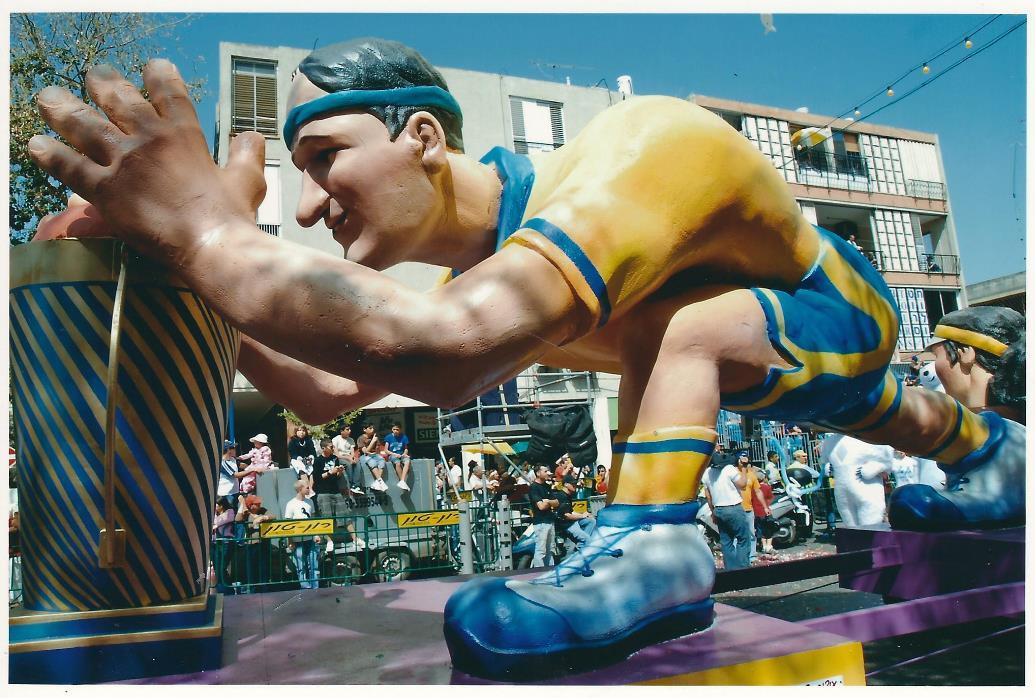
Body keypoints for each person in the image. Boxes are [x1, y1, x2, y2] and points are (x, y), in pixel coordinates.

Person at [29, 37, 1023, 679]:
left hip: (834, 305)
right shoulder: (490, 270)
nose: (307, 205)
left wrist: (209, 235)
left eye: (325, 157)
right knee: (805, 378)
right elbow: (327, 389)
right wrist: (188, 269)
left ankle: (658, 552)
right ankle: (995, 452)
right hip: (787, 351)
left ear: (423, 135)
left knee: (681, 330)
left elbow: (444, 353)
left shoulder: (638, 156)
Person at [890, 307, 1026, 530]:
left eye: (937, 356)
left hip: (988, 502)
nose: (934, 367)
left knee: (912, 501)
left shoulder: (1000, 427)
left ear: (965, 353)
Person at [821, 435, 894, 528]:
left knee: (870, 527)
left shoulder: (870, 437)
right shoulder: (830, 441)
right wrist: (828, 466)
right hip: (843, 493)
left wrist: (874, 467)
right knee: (851, 527)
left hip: (867, 490)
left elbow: (887, 462)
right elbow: (825, 461)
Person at [702, 452, 750, 570]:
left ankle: (731, 569)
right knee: (743, 539)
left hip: (718, 509)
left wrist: (713, 512)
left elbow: (708, 496)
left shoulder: (707, 473)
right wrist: (744, 468)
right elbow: (743, 485)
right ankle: (742, 568)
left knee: (726, 541)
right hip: (733, 507)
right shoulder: (729, 469)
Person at [283, 479, 321, 590]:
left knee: (314, 565)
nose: (309, 489)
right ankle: (305, 587)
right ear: (300, 489)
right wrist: (290, 540)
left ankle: (315, 587)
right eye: (307, 487)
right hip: (297, 540)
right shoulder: (291, 504)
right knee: (301, 566)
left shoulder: (310, 502)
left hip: (310, 539)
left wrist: (316, 534)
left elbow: (313, 519)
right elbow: (288, 524)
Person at [736, 451, 769, 563]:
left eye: (746, 461)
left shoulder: (751, 474)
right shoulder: (732, 473)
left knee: (751, 533)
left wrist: (765, 507)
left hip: (749, 509)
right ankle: (738, 558)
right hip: (736, 509)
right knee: (737, 534)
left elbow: (758, 491)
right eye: (742, 460)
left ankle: (752, 556)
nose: (745, 463)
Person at [527, 464, 559, 568]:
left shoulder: (547, 486)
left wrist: (548, 501)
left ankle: (550, 570)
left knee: (550, 549)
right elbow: (541, 506)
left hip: (550, 521)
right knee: (541, 550)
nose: (548, 473)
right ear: (538, 473)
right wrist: (549, 503)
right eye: (545, 471)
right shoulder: (534, 487)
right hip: (540, 522)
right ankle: (539, 571)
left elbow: (557, 502)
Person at [555, 475, 595, 550]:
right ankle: (580, 548)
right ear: (566, 484)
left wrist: (585, 515)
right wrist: (582, 516)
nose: (575, 485)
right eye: (572, 484)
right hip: (567, 525)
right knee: (588, 540)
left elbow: (571, 512)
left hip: (572, 522)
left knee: (591, 521)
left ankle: (581, 544)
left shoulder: (568, 495)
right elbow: (567, 516)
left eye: (575, 483)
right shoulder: (561, 496)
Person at [332, 424, 363, 495]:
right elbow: (337, 455)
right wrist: (348, 458)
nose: (349, 431)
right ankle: (351, 484)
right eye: (347, 429)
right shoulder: (336, 439)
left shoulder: (351, 440)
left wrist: (352, 458)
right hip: (340, 458)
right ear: (341, 431)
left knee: (358, 463)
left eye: (349, 429)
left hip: (349, 457)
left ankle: (356, 485)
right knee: (348, 464)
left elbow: (352, 452)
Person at [356, 423, 388, 492]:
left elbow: (377, 449)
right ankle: (380, 481)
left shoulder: (374, 437)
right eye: (370, 428)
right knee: (372, 462)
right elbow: (365, 451)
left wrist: (377, 452)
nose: (372, 429)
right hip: (364, 456)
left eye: (373, 428)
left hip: (374, 455)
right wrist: (373, 441)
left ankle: (377, 482)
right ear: (364, 429)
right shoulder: (361, 438)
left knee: (382, 461)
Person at [753, 471, 777, 556]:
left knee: (760, 529)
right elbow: (771, 498)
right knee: (769, 528)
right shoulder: (767, 487)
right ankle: (769, 546)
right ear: (763, 478)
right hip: (765, 510)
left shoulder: (753, 488)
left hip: (756, 511)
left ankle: (764, 546)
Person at [382, 423, 412, 491]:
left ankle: (402, 481)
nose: (395, 431)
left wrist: (405, 453)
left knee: (407, 461)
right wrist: (394, 454)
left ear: (400, 430)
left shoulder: (404, 437)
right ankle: (402, 481)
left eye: (397, 429)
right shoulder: (388, 437)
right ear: (392, 429)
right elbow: (386, 450)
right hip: (392, 455)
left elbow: (406, 448)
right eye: (394, 429)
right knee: (397, 463)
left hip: (401, 454)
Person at [217, 439, 244, 511]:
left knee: (235, 511)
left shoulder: (233, 460)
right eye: (233, 448)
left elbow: (242, 465)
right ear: (229, 450)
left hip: (234, 492)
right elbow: (236, 475)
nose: (235, 450)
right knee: (230, 513)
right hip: (226, 494)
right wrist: (252, 470)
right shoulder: (222, 463)